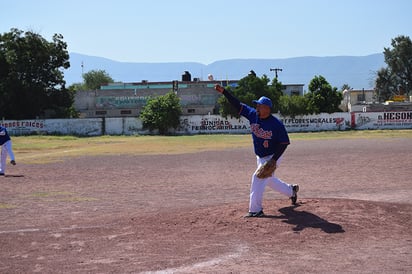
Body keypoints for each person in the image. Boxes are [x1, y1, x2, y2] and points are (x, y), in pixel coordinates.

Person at [214, 84, 299, 217]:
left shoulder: (276, 124)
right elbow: (237, 104)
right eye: (257, 105)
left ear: (267, 109)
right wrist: (224, 92)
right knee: (269, 180)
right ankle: (291, 191)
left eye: (259, 106)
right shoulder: (253, 115)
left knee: (258, 177)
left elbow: (284, 143)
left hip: (273, 155)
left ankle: (255, 210)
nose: (256, 108)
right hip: (260, 155)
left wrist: (273, 160)